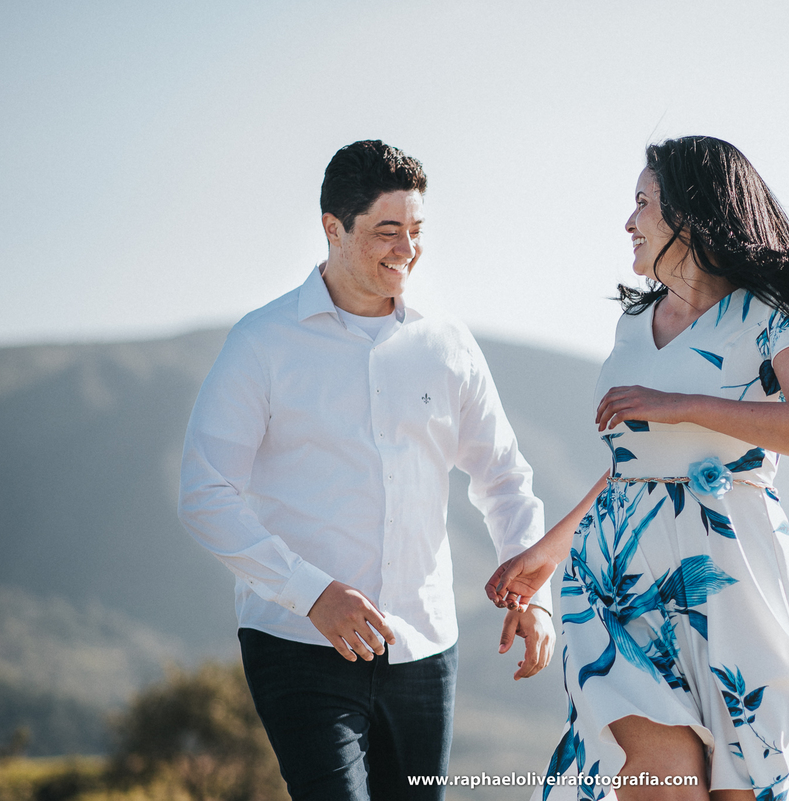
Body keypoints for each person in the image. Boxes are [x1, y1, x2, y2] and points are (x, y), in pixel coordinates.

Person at [486, 136, 789, 801]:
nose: (628, 221)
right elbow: (632, 465)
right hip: (619, 581)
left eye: (643, 203)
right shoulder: (633, 325)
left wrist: (683, 406)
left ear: (691, 217)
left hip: (735, 578)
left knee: (738, 790)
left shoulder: (774, 314)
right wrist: (548, 552)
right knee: (659, 783)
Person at [179, 139, 556, 801]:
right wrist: (311, 592)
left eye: (416, 231)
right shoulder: (261, 343)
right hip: (297, 640)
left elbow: (502, 476)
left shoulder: (447, 344)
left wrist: (534, 593)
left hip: (426, 648)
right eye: (388, 232)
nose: (406, 248)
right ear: (333, 229)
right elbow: (204, 492)